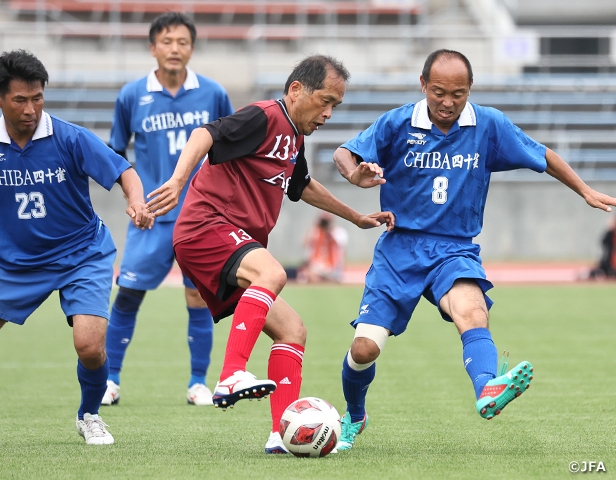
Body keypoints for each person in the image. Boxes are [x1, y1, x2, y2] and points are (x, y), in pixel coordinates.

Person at [331, 49, 616, 451]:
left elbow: (543, 156)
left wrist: (583, 189)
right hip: (399, 251)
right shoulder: (397, 123)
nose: (448, 103)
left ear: (470, 90)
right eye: (439, 92)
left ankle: (486, 389)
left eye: (458, 94)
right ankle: (355, 414)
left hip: (454, 248)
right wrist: (355, 174)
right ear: (423, 85)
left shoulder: (489, 124)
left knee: (472, 311)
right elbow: (344, 153)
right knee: (364, 350)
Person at [146, 55, 395, 454]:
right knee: (273, 272)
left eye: (336, 106)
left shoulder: (293, 139)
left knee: (293, 330)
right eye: (325, 101)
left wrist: (355, 216)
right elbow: (204, 135)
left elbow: (303, 185)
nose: (328, 113)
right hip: (205, 226)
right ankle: (231, 375)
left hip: (229, 238)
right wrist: (177, 181)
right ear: (296, 90)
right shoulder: (265, 116)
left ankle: (282, 436)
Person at [0, 50, 154, 445]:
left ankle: (89, 414)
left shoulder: (69, 137)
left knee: (89, 347)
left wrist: (136, 201)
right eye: (20, 99)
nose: (31, 109)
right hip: (15, 265)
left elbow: (124, 171)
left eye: (37, 97)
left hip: (82, 255)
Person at [101, 12, 234, 408]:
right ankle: (109, 380)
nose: (174, 49)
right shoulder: (131, 95)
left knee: (199, 298)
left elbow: (228, 149)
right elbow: (115, 153)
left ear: (192, 48)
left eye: (182, 42)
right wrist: (133, 200)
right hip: (151, 216)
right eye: (166, 41)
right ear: (152, 47)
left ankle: (197, 383)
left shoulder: (213, 94)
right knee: (128, 294)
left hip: (201, 216)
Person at [299, 212, 348, 283]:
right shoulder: (316, 231)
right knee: (311, 277)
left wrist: (329, 233)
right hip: (317, 265)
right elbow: (304, 243)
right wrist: (313, 226)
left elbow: (340, 249)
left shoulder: (338, 232)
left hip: (331, 267)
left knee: (333, 281)